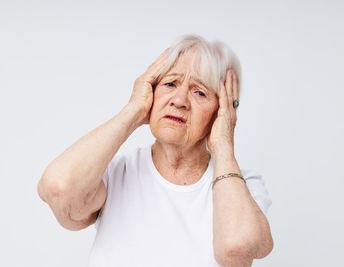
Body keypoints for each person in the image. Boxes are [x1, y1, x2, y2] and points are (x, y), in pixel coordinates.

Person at [37, 34, 273, 267]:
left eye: (199, 92)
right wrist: (134, 110)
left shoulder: (243, 187)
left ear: (221, 111)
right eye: (170, 83)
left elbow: (236, 249)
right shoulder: (116, 172)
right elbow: (58, 187)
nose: (179, 100)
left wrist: (223, 143)